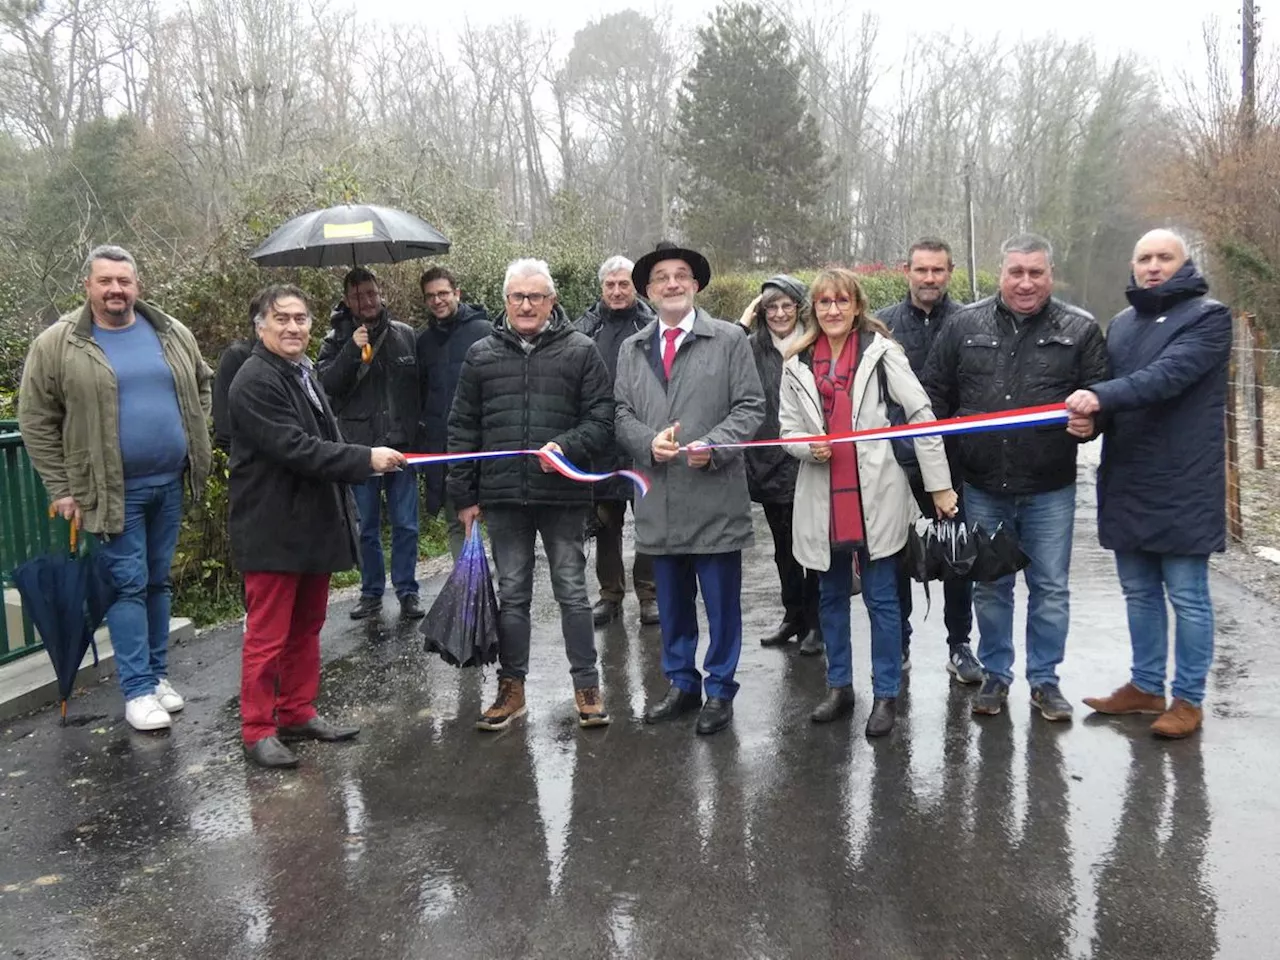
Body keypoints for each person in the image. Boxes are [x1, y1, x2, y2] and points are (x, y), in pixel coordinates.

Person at [18, 245, 213, 732]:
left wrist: (193, 435)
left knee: (158, 581)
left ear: (137, 286)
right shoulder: (59, 343)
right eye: (105, 281)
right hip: (108, 491)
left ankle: (156, 674)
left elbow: (202, 384)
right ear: (88, 286)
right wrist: (61, 487)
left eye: (123, 281)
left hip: (169, 482)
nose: (115, 290)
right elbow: (36, 419)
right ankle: (137, 690)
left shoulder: (170, 331)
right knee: (128, 585)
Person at [923, 233, 1108, 721]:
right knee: (991, 586)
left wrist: (1094, 422)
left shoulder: (1080, 330)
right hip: (983, 485)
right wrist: (941, 475)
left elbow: (1103, 399)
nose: (1026, 282)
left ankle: (1045, 681)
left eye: (1036, 272)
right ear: (999, 273)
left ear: (1051, 274)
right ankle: (997, 675)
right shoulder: (963, 325)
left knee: (1050, 588)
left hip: (1051, 488)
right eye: (1016, 272)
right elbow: (934, 398)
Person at [227, 283, 406, 768]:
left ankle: (297, 712)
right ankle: (258, 729)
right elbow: (297, 448)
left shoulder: (302, 370)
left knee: (307, 627)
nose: (292, 327)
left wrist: (365, 452)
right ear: (260, 325)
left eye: (300, 318)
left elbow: (327, 434)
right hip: (271, 528)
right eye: (281, 318)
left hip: (311, 524)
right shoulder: (255, 381)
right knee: (267, 637)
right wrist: (365, 458)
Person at [780, 268, 957, 736]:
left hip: (876, 495)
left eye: (841, 301)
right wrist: (806, 446)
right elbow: (785, 432)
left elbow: (921, 414)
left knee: (881, 600)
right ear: (813, 310)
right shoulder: (794, 362)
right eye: (824, 303)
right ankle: (839, 687)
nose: (833, 310)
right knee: (832, 597)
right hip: (822, 498)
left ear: (857, 306)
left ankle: (886, 696)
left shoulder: (882, 354)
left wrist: (939, 485)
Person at [1071, 230, 1232, 739]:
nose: (1154, 266)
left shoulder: (1209, 318)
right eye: (1145, 258)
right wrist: (1089, 424)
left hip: (1185, 480)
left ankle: (1188, 697)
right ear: (1133, 265)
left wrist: (1096, 397)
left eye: (1165, 257)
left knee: (1187, 595)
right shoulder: (1120, 325)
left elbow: (1166, 377)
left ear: (1185, 264)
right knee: (1139, 592)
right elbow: (1115, 403)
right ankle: (1145, 687)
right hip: (1128, 476)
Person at [447, 258, 615, 731]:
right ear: (505, 302)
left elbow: (603, 419)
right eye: (518, 297)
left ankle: (587, 685)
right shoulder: (480, 354)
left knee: (572, 593)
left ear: (551, 301)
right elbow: (462, 427)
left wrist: (566, 448)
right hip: (502, 496)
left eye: (535, 297)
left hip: (560, 494)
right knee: (513, 593)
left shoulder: (581, 351)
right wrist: (464, 494)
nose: (526, 304)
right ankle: (511, 688)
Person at [614, 240, 765, 736]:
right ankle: (682, 683)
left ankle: (720, 689)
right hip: (658, 500)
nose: (672, 283)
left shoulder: (728, 341)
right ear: (649, 291)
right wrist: (645, 441)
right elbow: (620, 415)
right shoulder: (632, 349)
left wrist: (715, 445)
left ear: (696, 285)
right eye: (662, 278)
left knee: (721, 605)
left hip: (714, 496)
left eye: (681, 275)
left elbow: (750, 407)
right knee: (672, 604)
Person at [877, 238, 982, 683]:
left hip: (955, 460)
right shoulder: (882, 324)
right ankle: (898, 643)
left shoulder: (969, 321)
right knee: (897, 555)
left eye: (938, 271)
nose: (929, 279)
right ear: (907, 271)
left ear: (950, 272)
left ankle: (959, 645)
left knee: (959, 557)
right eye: (922, 270)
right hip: (897, 462)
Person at [316, 268, 422, 621]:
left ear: (381, 294)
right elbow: (326, 386)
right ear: (348, 300)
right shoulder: (333, 341)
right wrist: (351, 349)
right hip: (359, 450)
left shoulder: (405, 335)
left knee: (406, 524)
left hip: (401, 445)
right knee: (366, 528)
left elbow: (418, 388)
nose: (368, 301)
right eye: (360, 296)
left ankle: (408, 591)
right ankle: (371, 592)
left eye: (373, 293)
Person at [575, 255, 660, 627]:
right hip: (601, 444)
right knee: (606, 524)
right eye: (610, 284)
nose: (616, 291)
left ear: (635, 287)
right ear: (601, 287)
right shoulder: (584, 329)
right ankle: (609, 594)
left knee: (649, 522)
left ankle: (650, 594)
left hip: (642, 440)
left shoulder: (653, 325)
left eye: (623, 284)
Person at [738, 274, 821, 654]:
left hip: (812, 462)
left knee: (815, 546)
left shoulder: (815, 344)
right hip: (767, 460)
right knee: (783, 546)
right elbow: (723, 356)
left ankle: (817, 623)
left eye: (787, 305)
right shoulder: (751, 347)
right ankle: (794, 615)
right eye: (771, 307)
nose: (780, 313)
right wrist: (743, 322)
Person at [414, 265, 491, 560]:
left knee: (496, 521)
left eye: (443, 293)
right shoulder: (423, 342)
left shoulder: (483, 331)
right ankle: (467, 587)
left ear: (457, 293)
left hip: (484, 445)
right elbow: (421, 394)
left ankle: (505, 588)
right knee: (456, 520)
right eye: (430, 296)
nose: (437, 301)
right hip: (444, 447)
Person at [212, 289, 267, 454]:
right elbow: (223, 417)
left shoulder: (294, 361)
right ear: (258, 325)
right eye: (280, 319)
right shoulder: (238, 356)